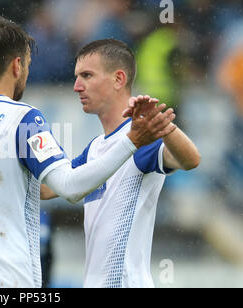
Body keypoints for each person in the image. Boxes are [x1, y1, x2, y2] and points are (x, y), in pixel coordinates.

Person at [0, 17, 176, 288]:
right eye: (27, 65)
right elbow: (69, 186)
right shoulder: (23, 121)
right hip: (3, 282)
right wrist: (131, 141)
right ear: (17, 65)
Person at [41, 39, 201, 288]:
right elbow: (49, 188)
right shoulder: (94, 148)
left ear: (118, 79)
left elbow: (191, 159)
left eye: (87, 75)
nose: (76, 86)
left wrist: (161, 123)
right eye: (76, 77)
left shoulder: (141, 139)